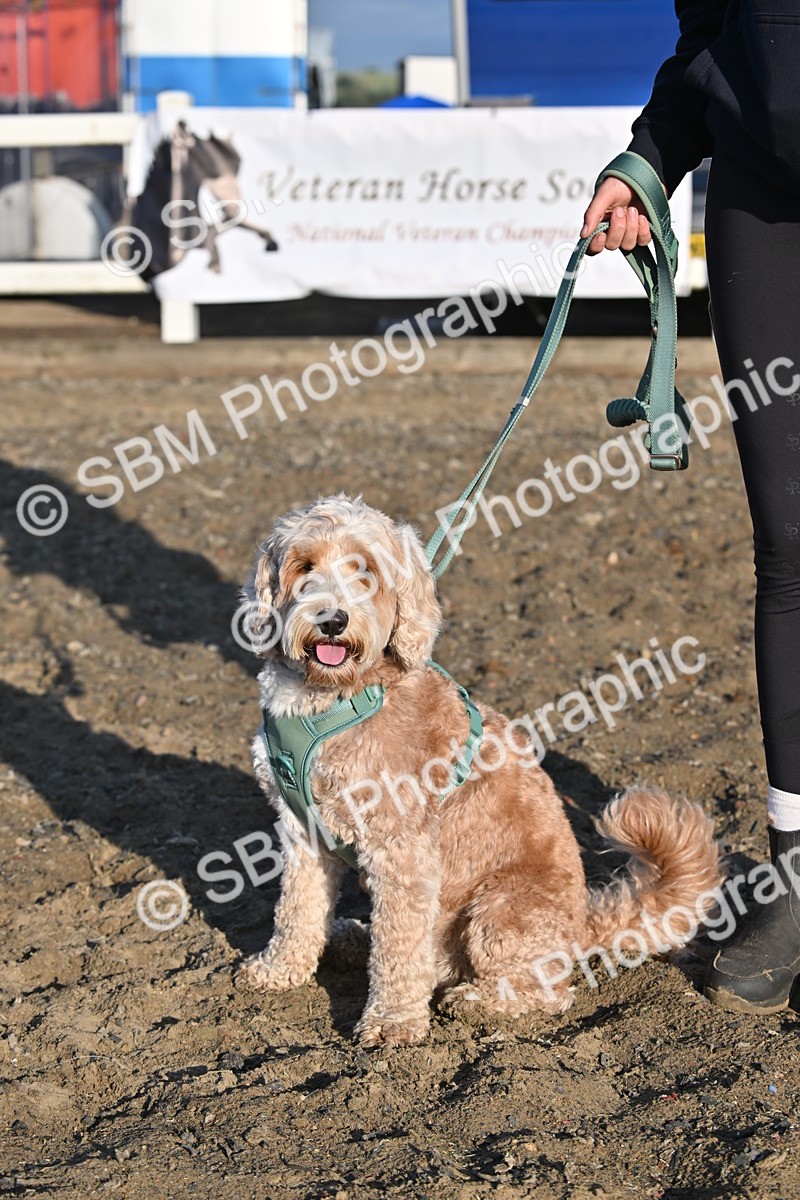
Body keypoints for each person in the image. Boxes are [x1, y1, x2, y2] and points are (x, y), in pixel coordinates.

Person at [581, 0, 800, 1014]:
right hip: (761, 201)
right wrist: (647, 159)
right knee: (789, 547)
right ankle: (797, 869)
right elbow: (709, 38)